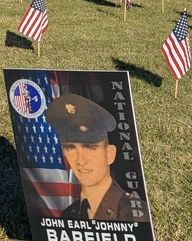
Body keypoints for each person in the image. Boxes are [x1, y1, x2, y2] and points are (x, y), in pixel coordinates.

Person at [46, 94, 149, 222]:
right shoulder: (69, 214)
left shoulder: (135, 215)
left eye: (90, 148)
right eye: (71, 148)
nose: (81, 161)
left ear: (110, 154)